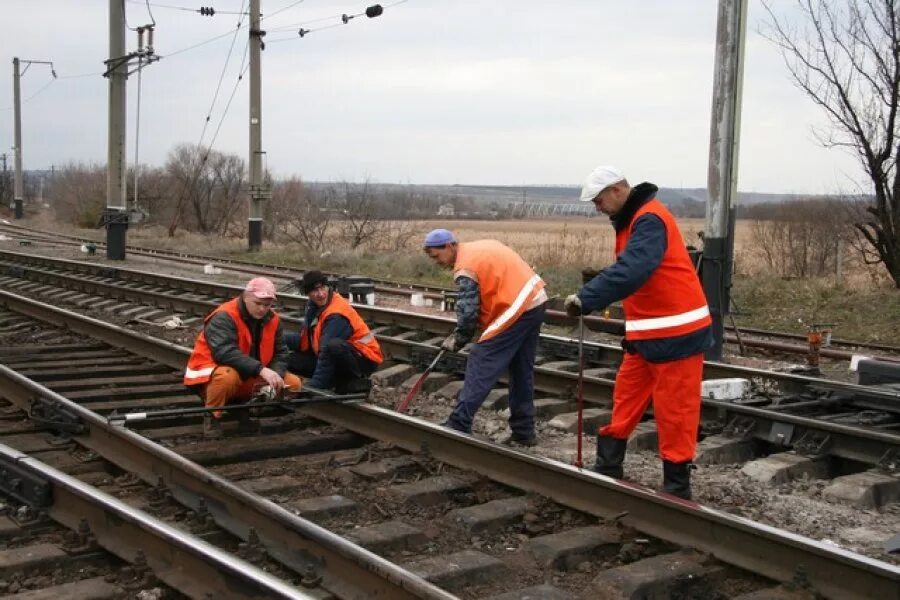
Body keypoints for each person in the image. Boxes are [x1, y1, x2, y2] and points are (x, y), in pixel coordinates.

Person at [565, 165, 712, 500]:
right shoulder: (632, 220)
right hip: (646, 336)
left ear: (618, 189)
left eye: (599, 200)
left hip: (678, 334)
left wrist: (587, 297)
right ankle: (608, 466)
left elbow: (633, 270)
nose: (597, 207)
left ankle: (676, 488)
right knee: (626, 398)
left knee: (675, 412)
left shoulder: (648, 219)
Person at [423, 229, 548, 445]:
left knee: (482, 357)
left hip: (517, 305)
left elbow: (468, 312)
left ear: (450, 246)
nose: (437, 262)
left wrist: (459, 338)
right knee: (520, 368)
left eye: (436, 256)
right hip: (535, 298)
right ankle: (524, 431)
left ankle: (459, 423)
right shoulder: (476, 248)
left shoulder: (466, 267)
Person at [184, 277, 301, 439]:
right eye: (257, 303)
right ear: (245, 298)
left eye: (267, 305)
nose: (262, 309)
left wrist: (275, 374)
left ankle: (243, 407)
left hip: (249, 372)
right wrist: (262, 370)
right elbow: (224, 353)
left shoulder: (273, 320)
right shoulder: (224, 316)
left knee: (293, 383)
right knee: (227, 376)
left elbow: (281, 352)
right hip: (209, 376)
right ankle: (211, 416)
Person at [285, 270, 383, 394]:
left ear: (327, 286)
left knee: (333, 346)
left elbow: (326, 349)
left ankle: (351, 381)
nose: (320, 294)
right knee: (289, 360)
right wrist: (279, 340)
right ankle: (334, 380)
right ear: (308, 293)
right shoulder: (313, 306)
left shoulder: (336, 313)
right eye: (315, 291)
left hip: (364, 359)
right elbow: (306, 339)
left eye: (323, 288)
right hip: (339, 356)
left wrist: (315, 387)